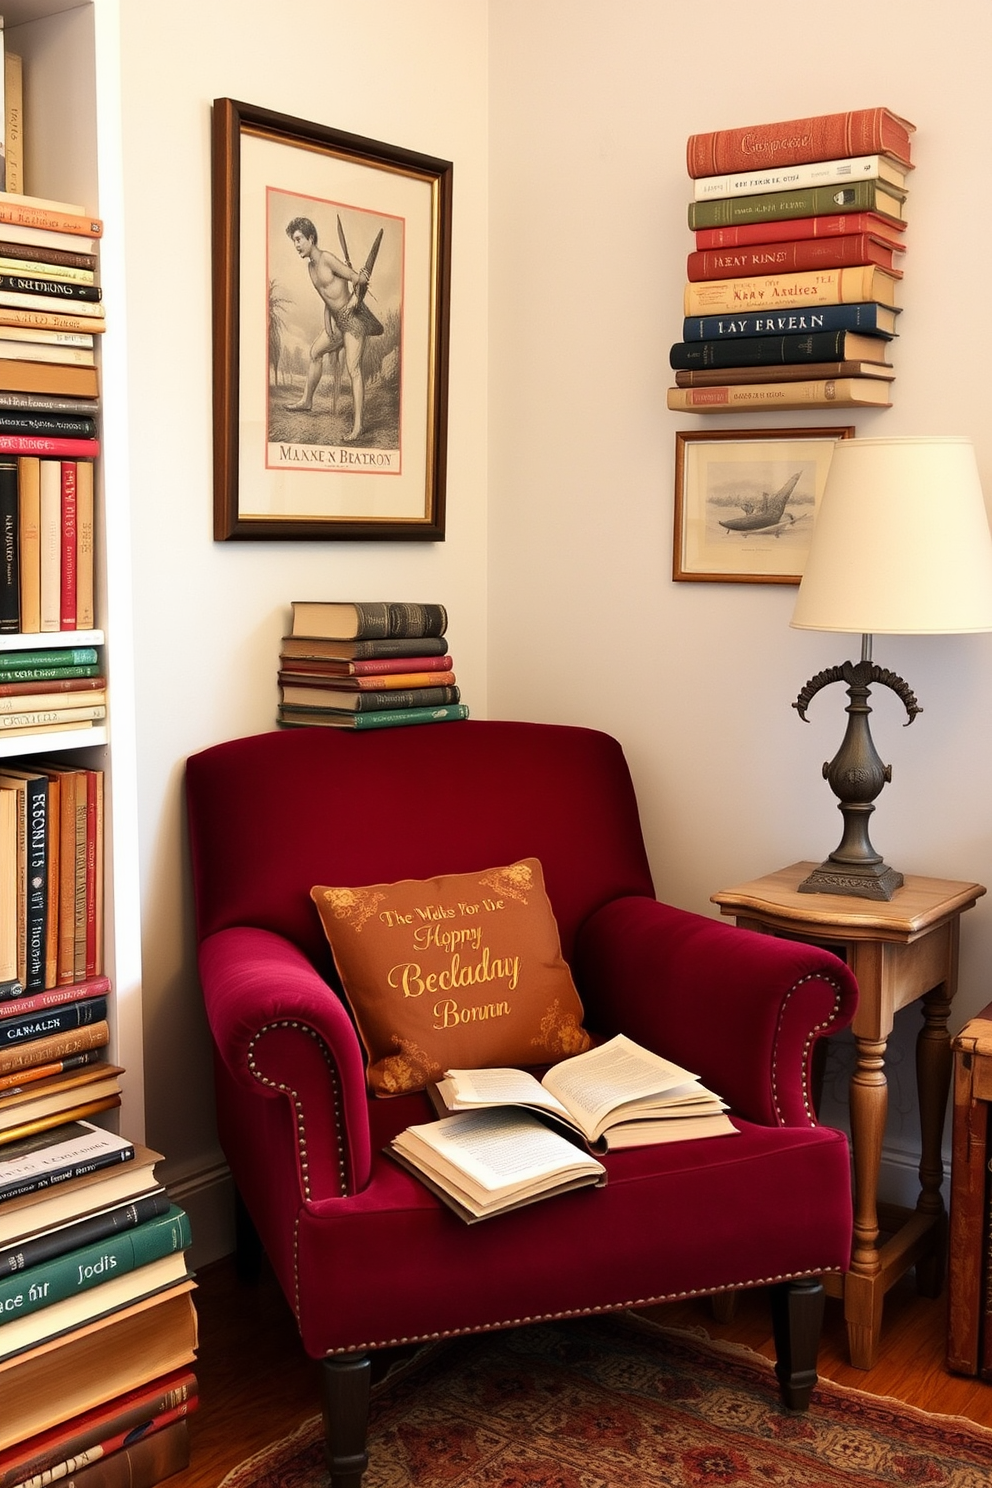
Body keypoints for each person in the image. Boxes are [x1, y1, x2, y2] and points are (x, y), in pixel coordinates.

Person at [284, 216, 382, 440]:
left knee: (354, 370)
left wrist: (353, 302)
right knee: (315, 352)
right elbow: (327, 298)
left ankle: (358, 426)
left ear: (311, 238)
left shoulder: (327, 259)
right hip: (337, 321)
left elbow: (358, 280)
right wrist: (327, 319)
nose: (296, 245)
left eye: (299, 239)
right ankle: (307, 400)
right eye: (294, 241)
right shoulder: (310, 268)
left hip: (354, 321)